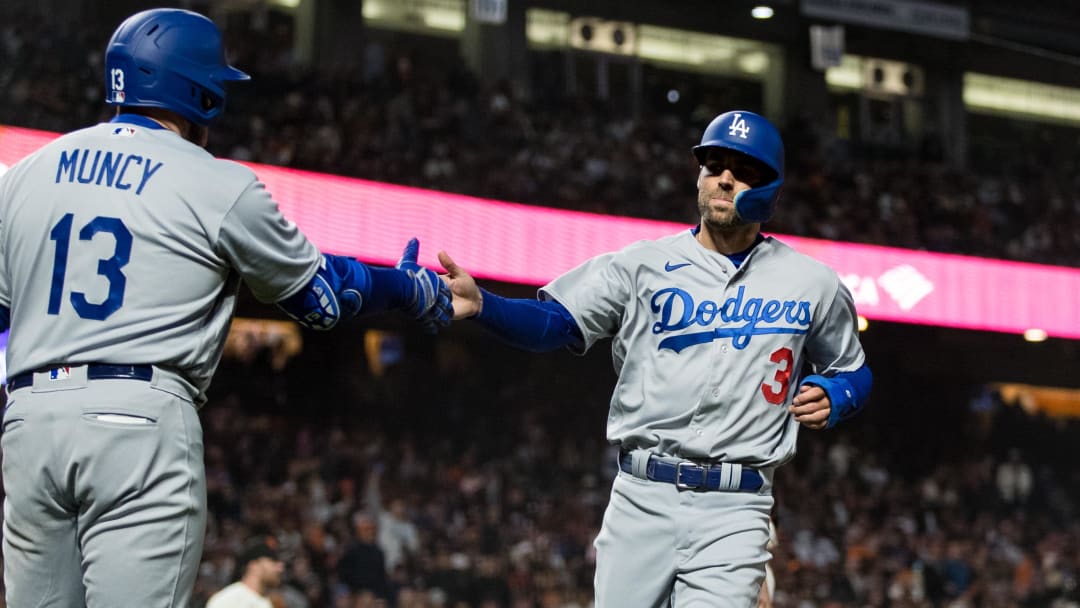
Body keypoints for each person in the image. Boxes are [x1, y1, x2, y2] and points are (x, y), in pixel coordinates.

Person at [0, 9, 451, 607]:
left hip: (28, 419)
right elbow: (324, 299)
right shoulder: (215, 183)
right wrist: (406, 288)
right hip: (138, 420)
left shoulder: (25, 174)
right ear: (200, 94)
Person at [437, 110, 872, 606]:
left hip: (736, 506)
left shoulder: (811, 282)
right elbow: (553, 324)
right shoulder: (640, 265)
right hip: (641, 496)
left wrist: (838, 394)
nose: (724, 177)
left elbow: (853, 370)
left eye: (743, 168)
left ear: (771, 186)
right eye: (714, 165)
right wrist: (484, 305)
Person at [206, 537, 286, 608]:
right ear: (253, 565)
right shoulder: (227, 601)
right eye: (273, 561)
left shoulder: (275, 602)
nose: (280, 568)